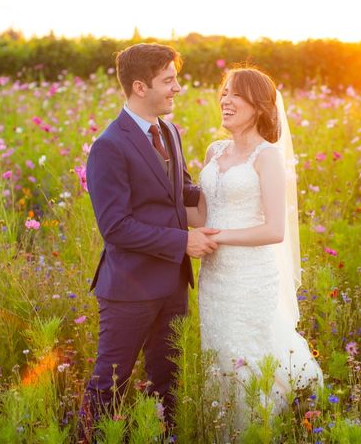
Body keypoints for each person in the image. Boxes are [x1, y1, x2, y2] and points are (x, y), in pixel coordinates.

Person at [79, 43, 219, 441]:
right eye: (169, 80)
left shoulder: (169, 131)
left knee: (168, 387)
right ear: (140, 86)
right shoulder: (109, 145)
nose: (178, 88)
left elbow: (183, 190)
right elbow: (116, 227)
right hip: (129, 289)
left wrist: (227, 177)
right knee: (110, 386)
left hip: (173, 286)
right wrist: (183, 242)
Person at [186, 67, 323, 428]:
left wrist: (217, 238)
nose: (225, 100)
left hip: (250, 276)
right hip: (216, 278)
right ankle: (223, 428)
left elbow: (274, 229)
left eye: (236, 95)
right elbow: (203, 213)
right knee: (219, 352)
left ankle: (260, 428)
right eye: (224, 92)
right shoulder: (215, 151)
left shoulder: (267, 156)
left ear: (259, 106)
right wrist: (150, 200)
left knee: (248, 352)